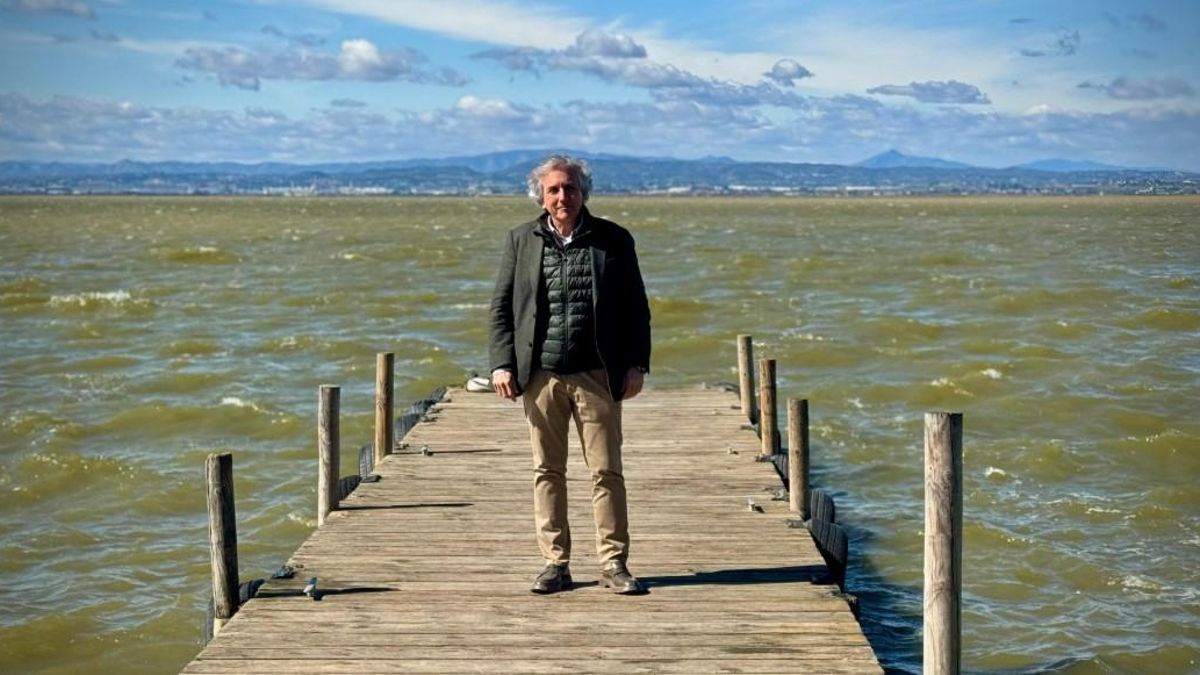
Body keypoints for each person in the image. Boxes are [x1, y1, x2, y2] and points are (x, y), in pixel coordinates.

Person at [488, 155, 651, 595]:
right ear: (540, 195)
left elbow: (637, 307)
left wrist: (637, 364)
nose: (563, 196)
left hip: (597, 373)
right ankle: (555, 563)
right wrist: (502, 364)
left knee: (606, 471)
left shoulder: (613, 240)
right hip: (540, 374)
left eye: (571, 188)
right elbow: (503, 309)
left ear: (584, 193)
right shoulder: (521, 240)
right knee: (547, 471)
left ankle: (613, 563)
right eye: (555, 189)